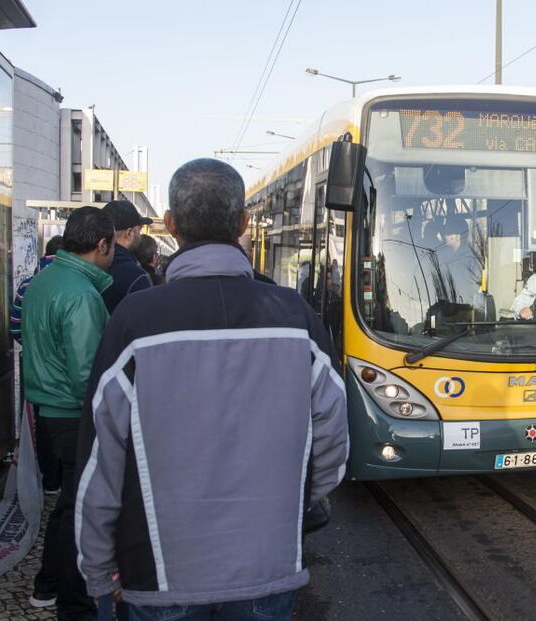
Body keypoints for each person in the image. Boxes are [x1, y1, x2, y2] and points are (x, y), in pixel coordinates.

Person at [75, 158, 349, 620]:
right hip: (268, 568)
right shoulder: (295, 316)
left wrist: (98, 570)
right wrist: (289, 506)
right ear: (244, 223)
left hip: (159, 576)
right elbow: (333, 446)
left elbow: (101, 461)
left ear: (170, 224)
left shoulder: (136, 321)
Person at [22, 207, 115, 618]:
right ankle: (73, 602)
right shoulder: (81, 294)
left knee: (68, 507)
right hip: (74, 414)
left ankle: (48, 584)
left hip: (47, 409)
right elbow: (87, 374)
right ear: (102, 244)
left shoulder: (44, 280)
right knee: (81, 511)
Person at [11, 235, 65, 494]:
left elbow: (14, 327)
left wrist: (33, 346)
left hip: (32, 363)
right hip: (63, 370)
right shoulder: (72, 285)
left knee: (38, 422)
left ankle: (48, 480)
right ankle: (63, 478)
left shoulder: (26, 285)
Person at [101, 199, 154, 312]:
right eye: (139, 231)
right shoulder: (135, 276)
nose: (140, 235)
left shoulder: (91, 264)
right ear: (130, 233)